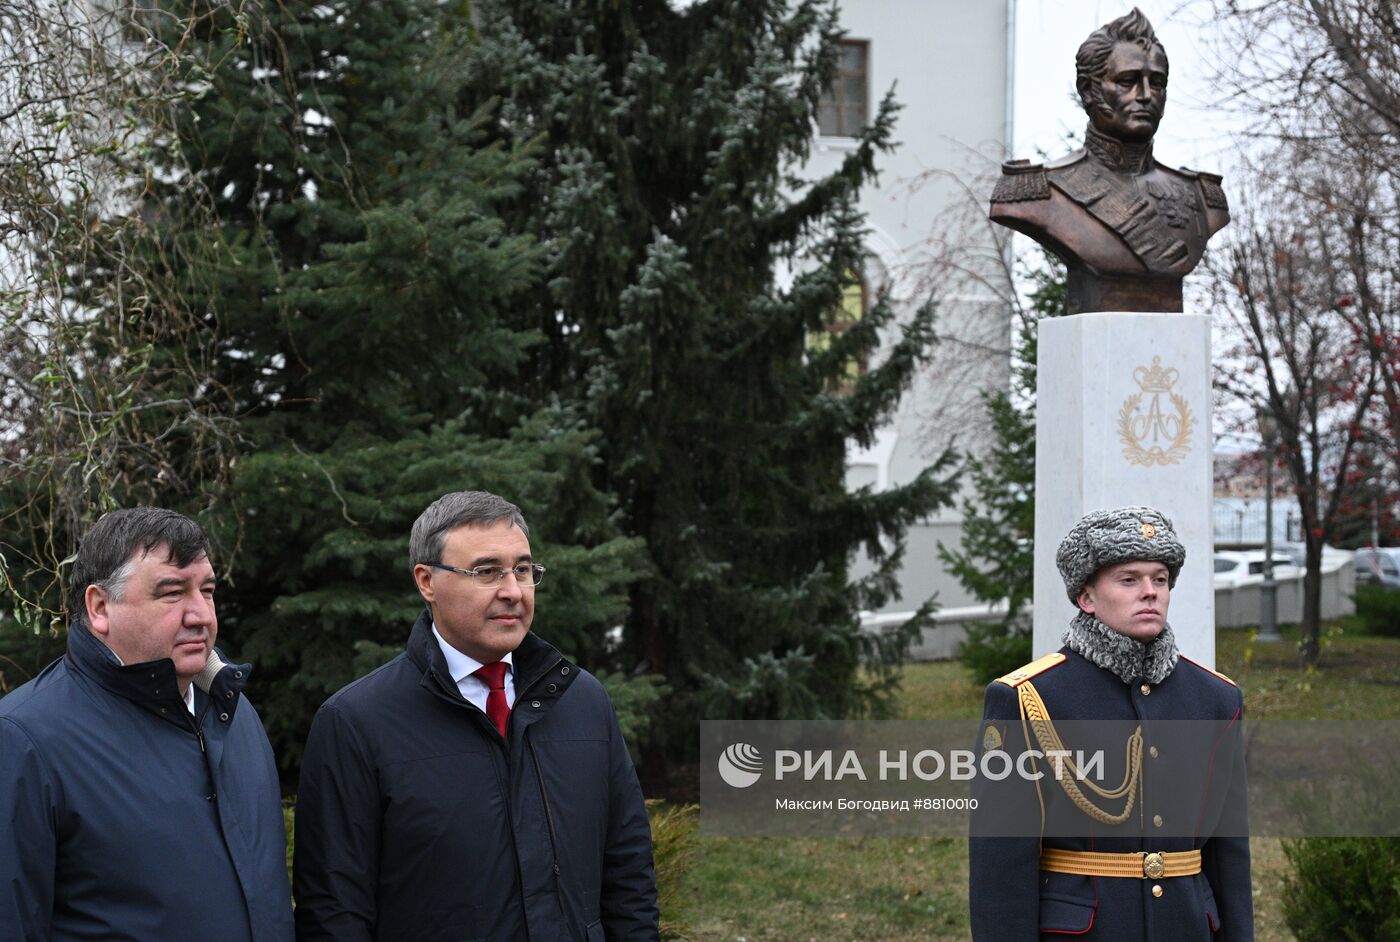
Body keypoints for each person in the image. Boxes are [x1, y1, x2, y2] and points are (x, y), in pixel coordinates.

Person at [294, 490, 658, 941]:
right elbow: (335, 911)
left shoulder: (582, 701)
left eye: (523, 570)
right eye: (487, 572)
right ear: (426, 581)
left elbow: (629, 873)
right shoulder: (355, 722)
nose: (512, 591)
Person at [0, 508, 295, 941]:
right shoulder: (23, 740)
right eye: (172, 592)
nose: (201, 616)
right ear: (100, 608)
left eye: (207, 591)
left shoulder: (233, 709)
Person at [969, 506, 1253, 940]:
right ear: (1086, 597)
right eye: (1129, 579)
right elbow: (1000, 867)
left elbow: (1228, 857)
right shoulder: (1030, 700)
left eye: (1160, 579)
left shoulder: (1216, 698)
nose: (1150, 592)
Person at [989, 8, 1230, 314]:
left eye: (1156, 83)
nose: (1145, 95)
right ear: (1088, 90)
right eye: (1127, 81)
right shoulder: (1037, 190)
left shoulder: (1202, 197)